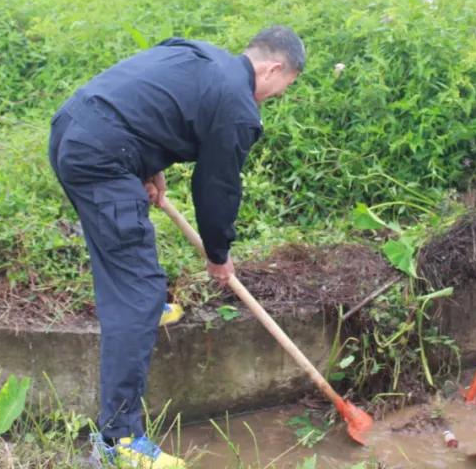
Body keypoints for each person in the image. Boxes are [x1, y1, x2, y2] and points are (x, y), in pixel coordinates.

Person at [48, 26, 305, 468]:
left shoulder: (200, 55)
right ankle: (118, 444)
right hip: (103, 155)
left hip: (73, 128)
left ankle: (141, 307)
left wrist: (147, 163)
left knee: (123, 261)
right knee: (138, 294)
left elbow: (150, 101)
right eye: (283, 87)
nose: (276, 96)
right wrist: (218, 255)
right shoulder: (239, 107)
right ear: (275, 68)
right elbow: (217, 188)